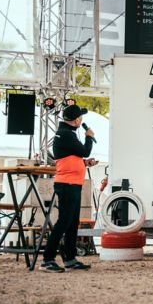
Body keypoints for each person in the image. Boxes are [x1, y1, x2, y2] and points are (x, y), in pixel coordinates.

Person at [40, 104, 98, 272]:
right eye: (81, 117)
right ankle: (47, 259)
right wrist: (89, 137)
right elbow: (85, 151)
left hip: (72, 183)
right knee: (64, 221)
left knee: (72, 222)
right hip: (68, 184)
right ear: (77, 120)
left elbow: (73, 156)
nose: (82, 120)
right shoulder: (66, 135)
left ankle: (70, 258)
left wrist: (84, 163)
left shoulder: (66, 134)